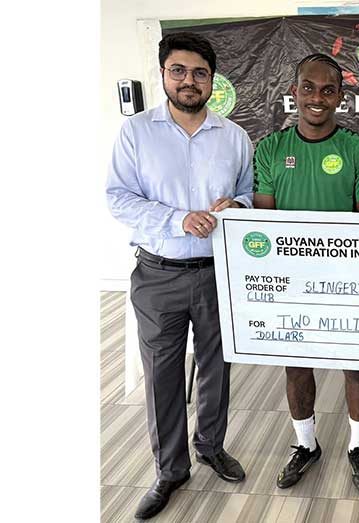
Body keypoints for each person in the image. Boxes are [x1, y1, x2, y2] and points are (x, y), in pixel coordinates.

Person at [106, 32, 252, 520]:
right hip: (158, 274)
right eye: (179, 71)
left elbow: (250, 194)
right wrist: (177, 219)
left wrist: (238, 205)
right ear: (164, 74)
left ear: (213, 80)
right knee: (161, 376)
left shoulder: (234, 136)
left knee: (216, 366)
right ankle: (170, 470)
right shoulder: (136, 133)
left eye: (200, 73)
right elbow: (118, 197)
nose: (189, 81)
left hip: (218, 273)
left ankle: (210, 445)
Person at [253, 53, 359, 494]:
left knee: (355, 366)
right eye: (308, 88)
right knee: (296, 367)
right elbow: (265, 227)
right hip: (291, 283)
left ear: (341, 98)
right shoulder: (270, 149)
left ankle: (358, 447)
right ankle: (306, 445)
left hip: (350, 281)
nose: (317, 98)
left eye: (328, 90)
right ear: (294, 93)